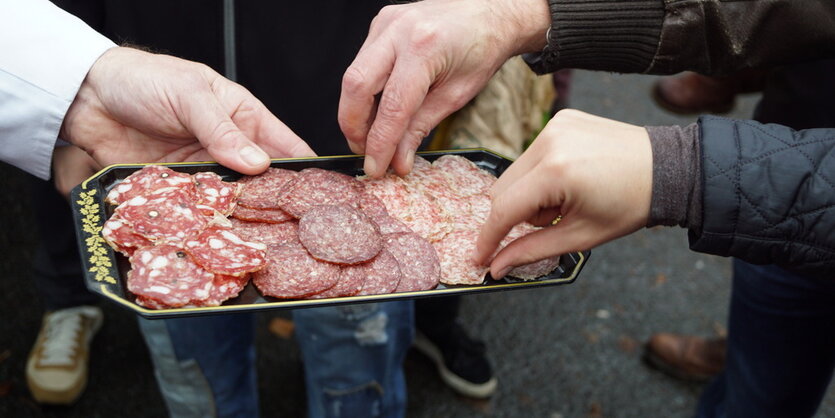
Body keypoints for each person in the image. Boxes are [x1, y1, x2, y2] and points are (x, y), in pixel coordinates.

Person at [339, 0, 835, 416]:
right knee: (764, 365)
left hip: (776, 182)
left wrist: (681, 170)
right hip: (789, 142)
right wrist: (519, 15)